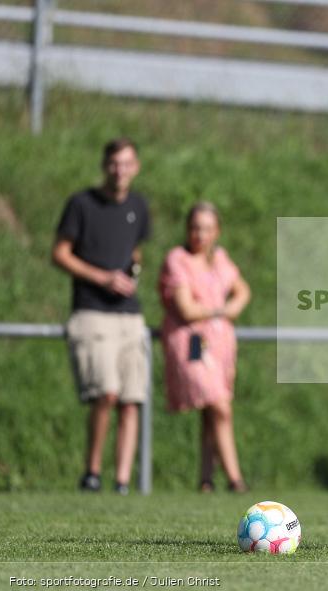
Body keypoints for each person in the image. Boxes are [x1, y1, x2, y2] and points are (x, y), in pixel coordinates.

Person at [52, 138, 151, 495]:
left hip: (129, 316)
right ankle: (92, 473)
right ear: (104, 165)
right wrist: (103, 277)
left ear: (136, 167)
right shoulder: (81, 204)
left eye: (126, 163)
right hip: (92, 312)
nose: (120, 170)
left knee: (130, 398)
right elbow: (60, 253)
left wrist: (131, 272)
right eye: (114, 163)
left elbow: (135, 249)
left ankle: (122, 481)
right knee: (106, 394)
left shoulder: (139, 207)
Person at [158, 202, 251, 493]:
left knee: (212, 409)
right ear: (187, 229)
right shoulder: (178, 259)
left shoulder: (220, 259)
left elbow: (243, 290)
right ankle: (236, 479)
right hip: (193, 342)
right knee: (219, 404)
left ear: (217, 231)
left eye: (207, 229)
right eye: (196, 228)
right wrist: (221, 311)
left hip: (220, 343)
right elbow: (186, 309)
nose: (201, 234)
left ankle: (206, 479)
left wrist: (228, 308)